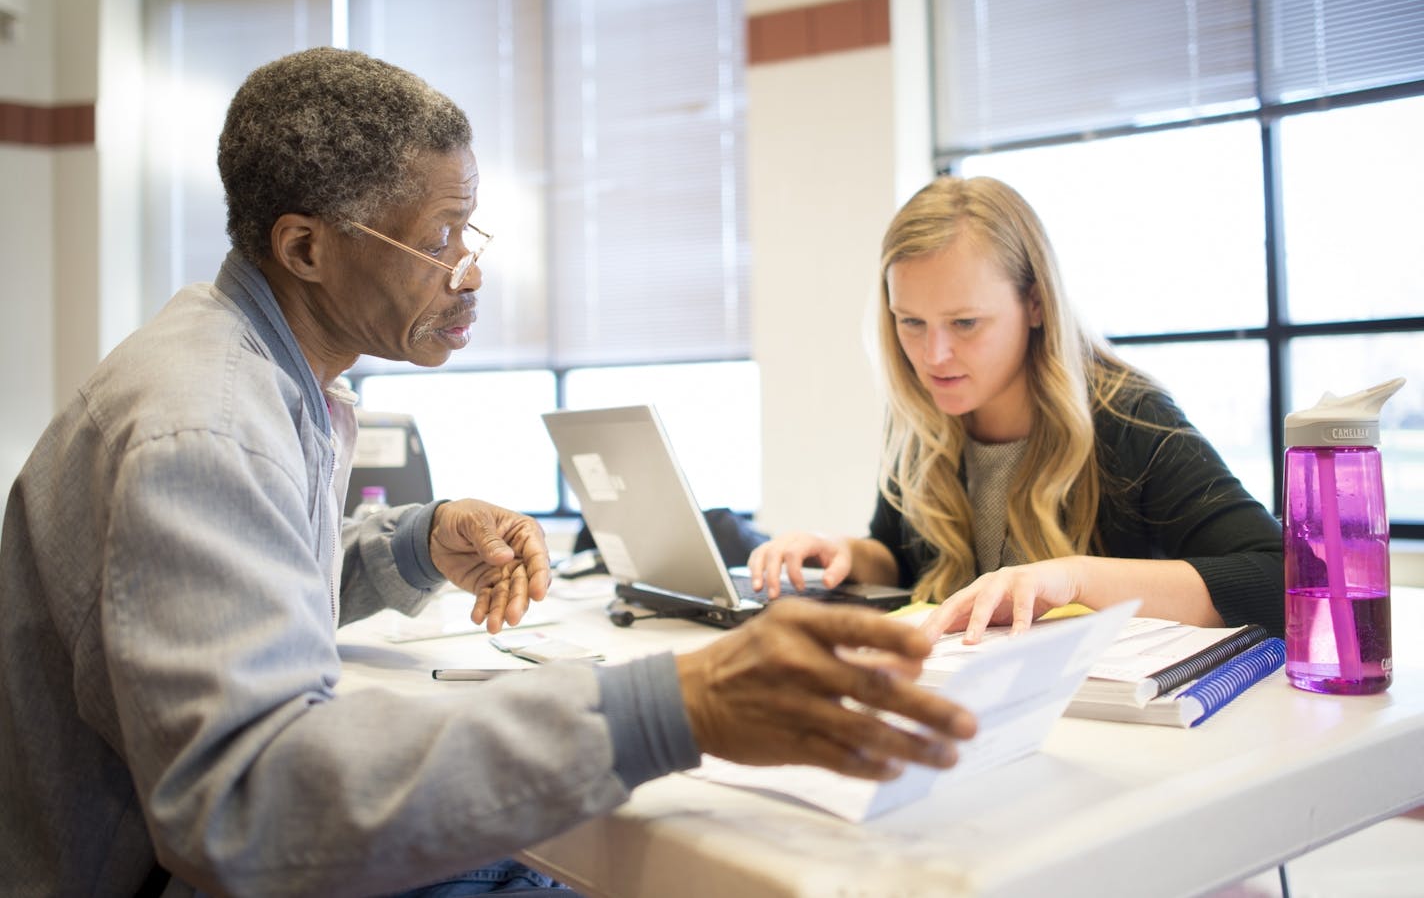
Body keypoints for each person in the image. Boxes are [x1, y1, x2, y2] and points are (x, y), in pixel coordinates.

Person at [0, 48, 977, 898]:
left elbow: (226, 586)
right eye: (436, 237)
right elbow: (248, 808)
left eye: (470, 231)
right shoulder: (206, 420)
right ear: (304, 246)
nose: (467, 268)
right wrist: (675, 706)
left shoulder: (244, 372)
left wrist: (412, 542)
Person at [747, 175, 1284, 645]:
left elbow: (1277, 578)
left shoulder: (1130, 418)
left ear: (1034, 304)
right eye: (910, 323)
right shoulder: (923, 415)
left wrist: (1073, 579)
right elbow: (904, 557)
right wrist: (842, 552)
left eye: (965, 323)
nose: (933, 357)